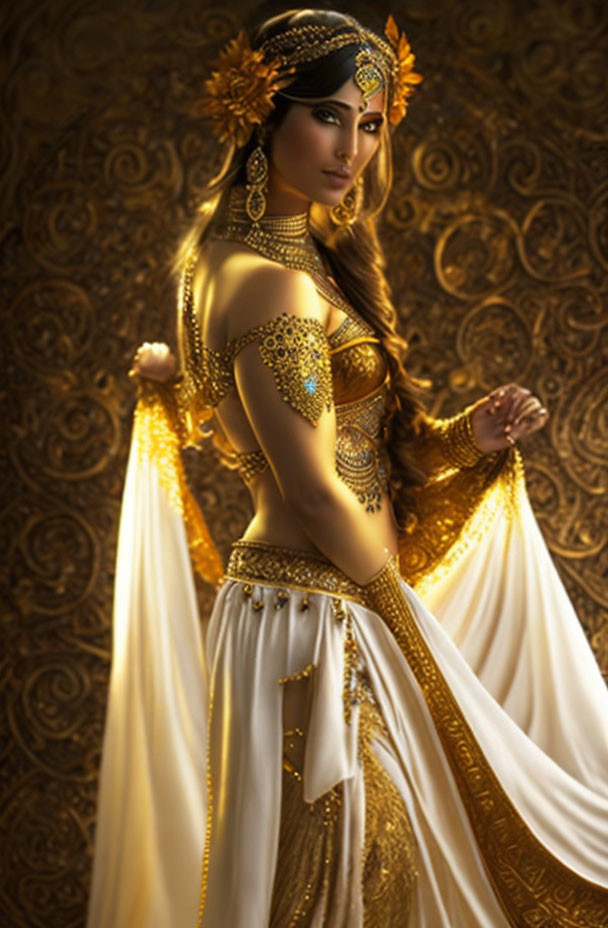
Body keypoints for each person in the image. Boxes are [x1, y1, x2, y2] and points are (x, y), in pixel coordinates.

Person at [86, 10, 608, 928]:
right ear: (264, 112)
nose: (353, 148)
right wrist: (401, 616)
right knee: (355, 876)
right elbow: (313, 488)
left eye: (370, 125)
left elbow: (358, 446)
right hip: (316, 616)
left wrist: (463, 440)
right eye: (329, 115)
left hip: (315, 606)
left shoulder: (254, 256)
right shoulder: (272, 278)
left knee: (368, 874)